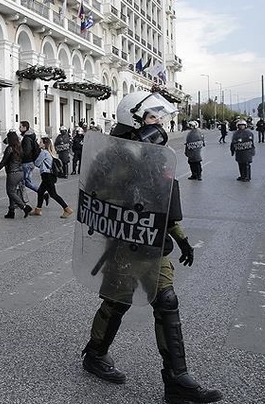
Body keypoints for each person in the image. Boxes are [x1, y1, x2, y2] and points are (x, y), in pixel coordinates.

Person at [80, 91, 222, 404]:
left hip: (154, 244)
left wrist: (181, 237)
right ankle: (95, 354)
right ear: (134, 121)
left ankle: (177, 379)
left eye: (160, 117)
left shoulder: (155, 156)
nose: (159, 123)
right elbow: (95, 198)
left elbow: (162, 205)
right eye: (152, 117)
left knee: (167, 300)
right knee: (117, 302)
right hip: (124, 244)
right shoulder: (111, 155)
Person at [0, 131, 32, 219]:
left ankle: (25, 207)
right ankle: (11, 211)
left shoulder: (9, 148)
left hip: (12, 173)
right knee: (12, 191)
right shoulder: (19, 148)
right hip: (20, 173)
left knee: (10, 192)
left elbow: (3, 161)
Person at [30, 137, 73, 219]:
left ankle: (67, 209)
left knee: (53, 194)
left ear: (45, 144)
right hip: (49, 175)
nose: (39, 144)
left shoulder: (44, 153)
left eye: (41, 142)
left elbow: (37, 163)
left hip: (47, 175)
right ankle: (38, 209)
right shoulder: (50, 153)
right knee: (40, 191)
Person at [19, 120, 41, 194]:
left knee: (26, 182)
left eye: (20, 127)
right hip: (30, 162)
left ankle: (42, 192)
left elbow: (27, 151)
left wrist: (20, 155)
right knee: (24, 181)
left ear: (25, 127)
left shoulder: (27, 138)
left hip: (27, 163)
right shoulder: (30, 136)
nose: (19, 128)